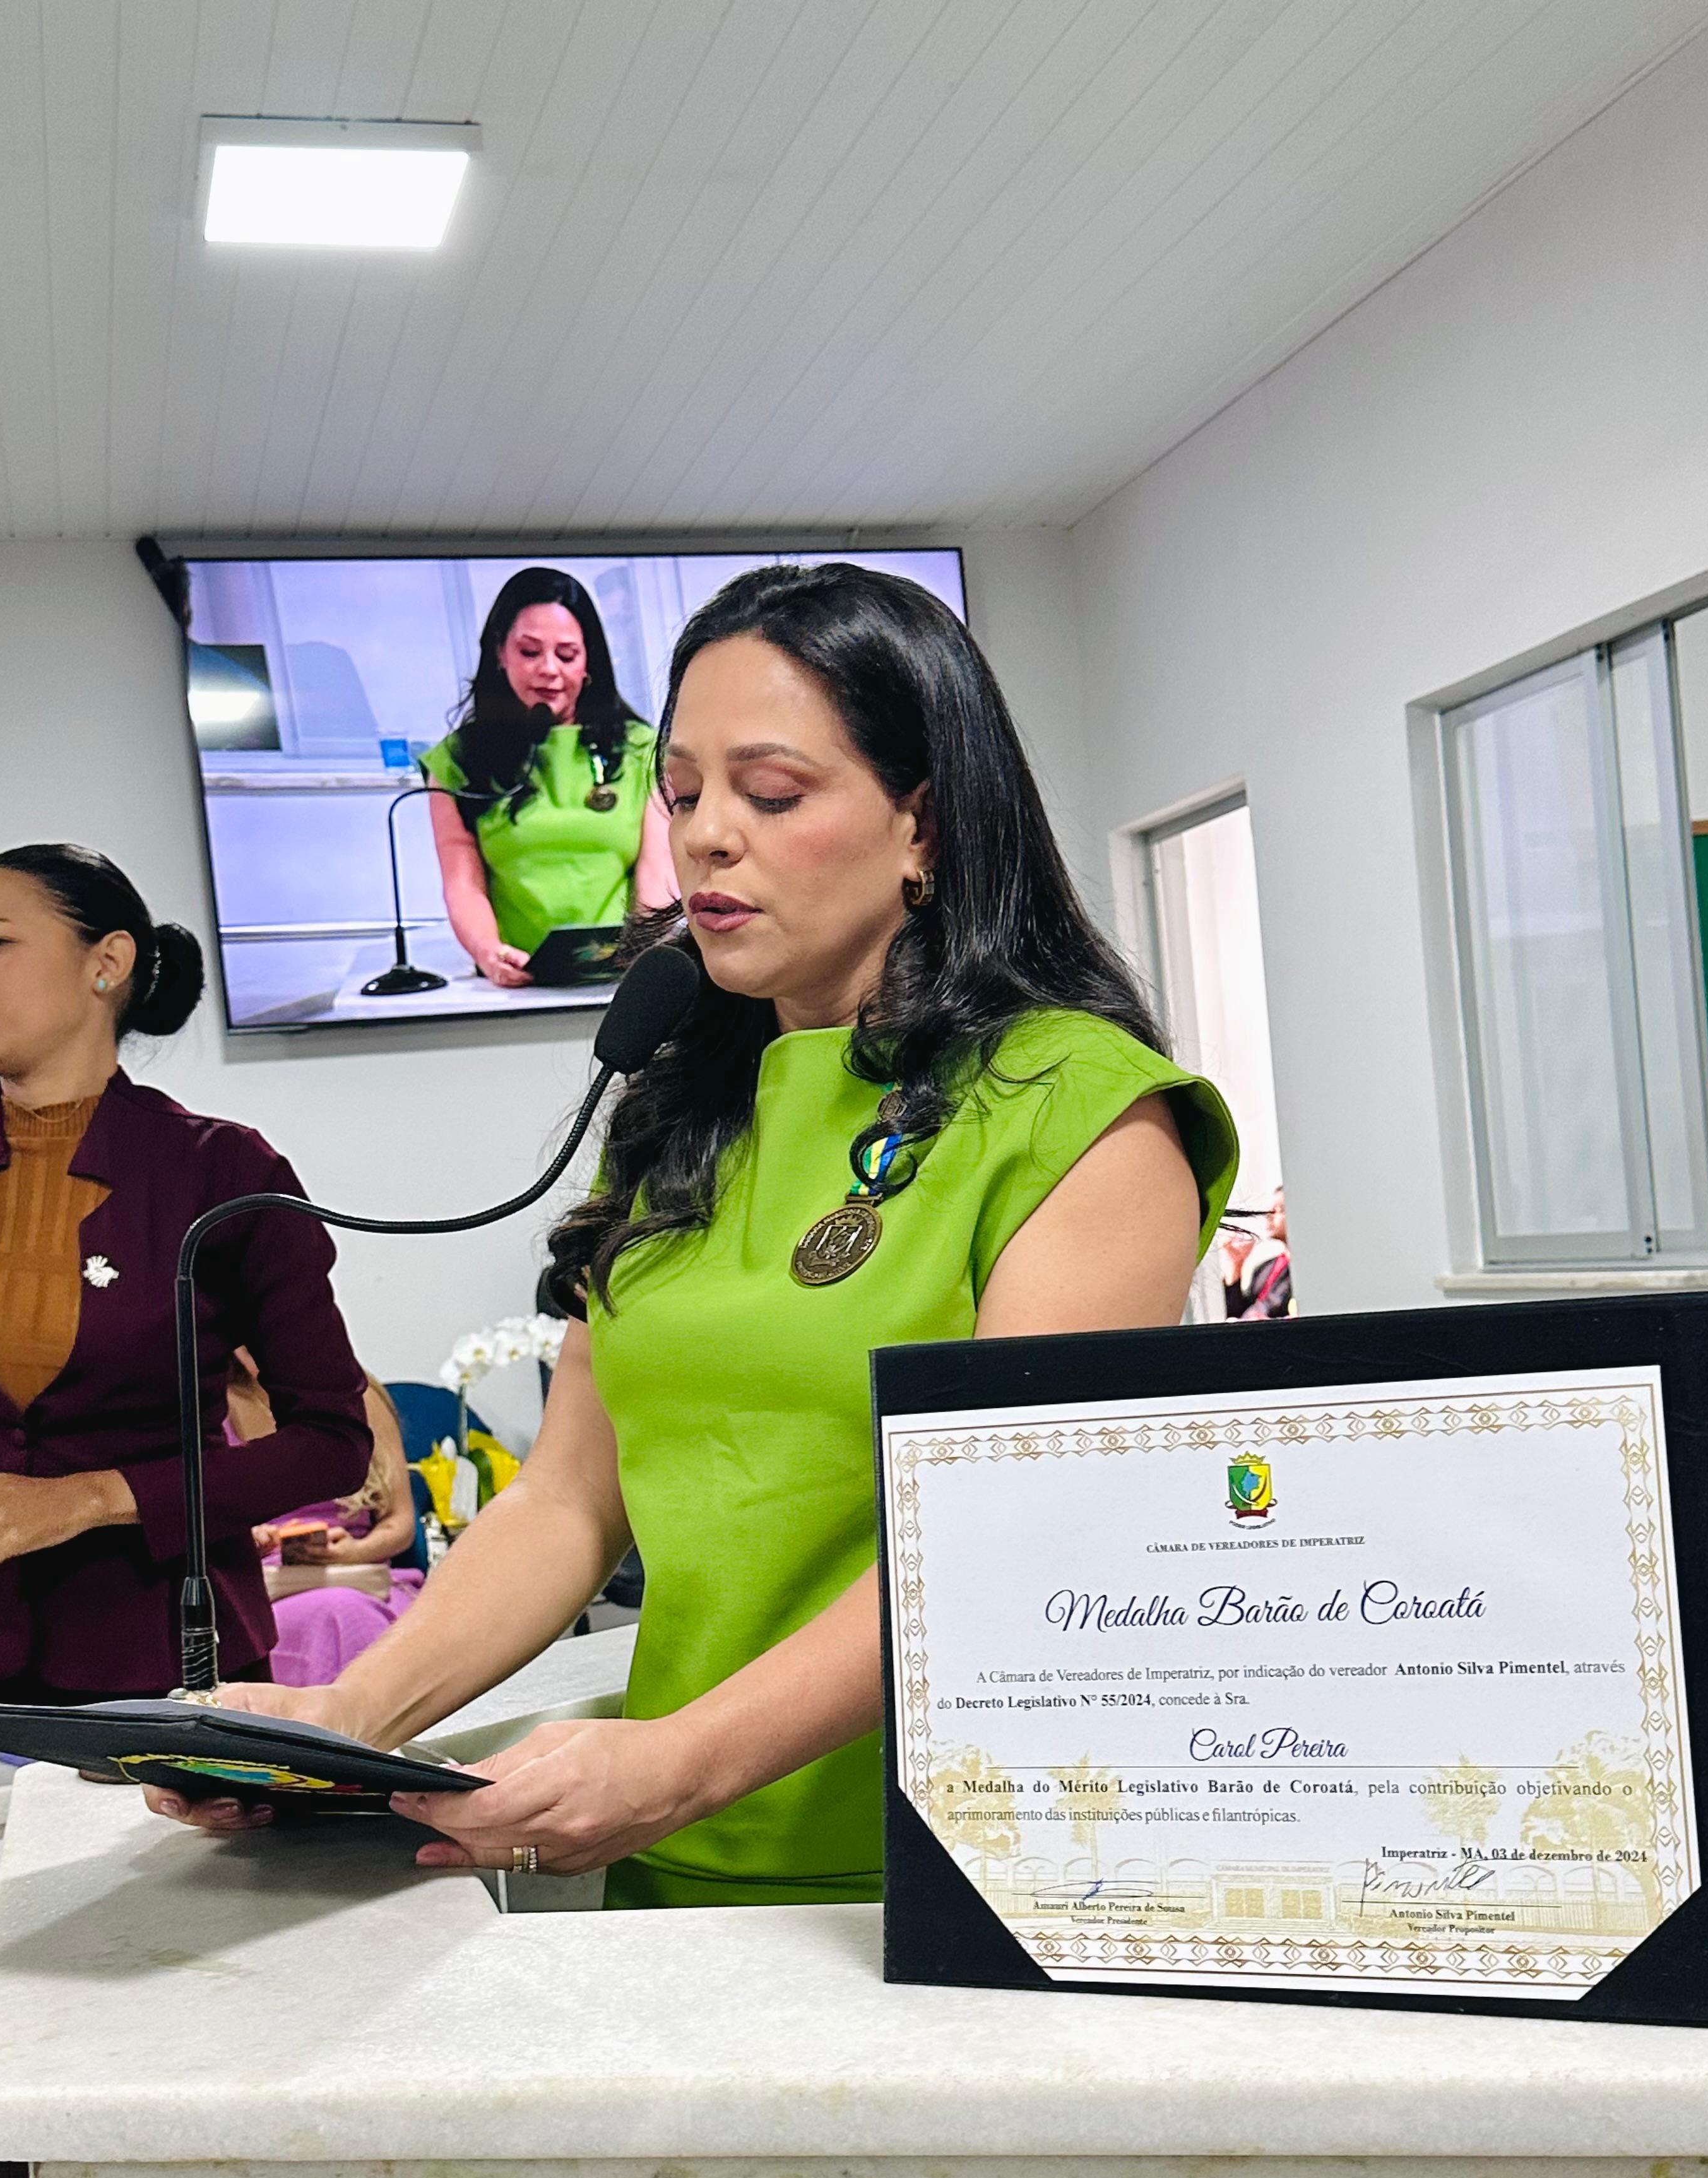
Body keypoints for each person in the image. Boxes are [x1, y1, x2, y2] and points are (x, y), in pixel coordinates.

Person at [158, 563, 1237, 1900]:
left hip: (957, 1879)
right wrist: (354, 1717)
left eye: (770, 793)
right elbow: (568, 1497)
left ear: (926, 824)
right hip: (677, 1857)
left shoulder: (1079, 1108)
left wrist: (683, 1760)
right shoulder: (682, 1112)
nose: (704, 837)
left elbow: (1010, 1539)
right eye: (680, 795)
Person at [0, 845, 371, 1698]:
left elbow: (333, 1445)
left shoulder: (224, 1172)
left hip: (161, 1660)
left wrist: (90, 1497)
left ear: (108, 962)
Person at [420, 568, 678, 986]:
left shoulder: (641, 749)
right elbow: (463, 883)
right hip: (513, 983)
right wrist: (489, 953)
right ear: (500, 654)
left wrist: (644, 952)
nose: (549, 670)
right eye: (529, 652)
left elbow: (657, 872)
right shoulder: (458, 760)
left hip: (620, 979)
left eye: (567, 654)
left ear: (588, 660)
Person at [225, 1352, 424, 1690]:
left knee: (348, 1612)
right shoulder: (202, 1407)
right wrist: (239, 1540)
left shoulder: (357, 1394)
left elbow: (400, 1522)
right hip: (258, 1594)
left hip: (358, 1577)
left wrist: (355, 1551)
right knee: (323, 1617)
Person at [1220, 1185, 1293, 1319]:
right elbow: (1235, 1313)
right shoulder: (1264, 1269)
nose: (1268, 1216)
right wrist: (1236, 1265)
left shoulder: (1306, 1272)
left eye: (1278, 1210)